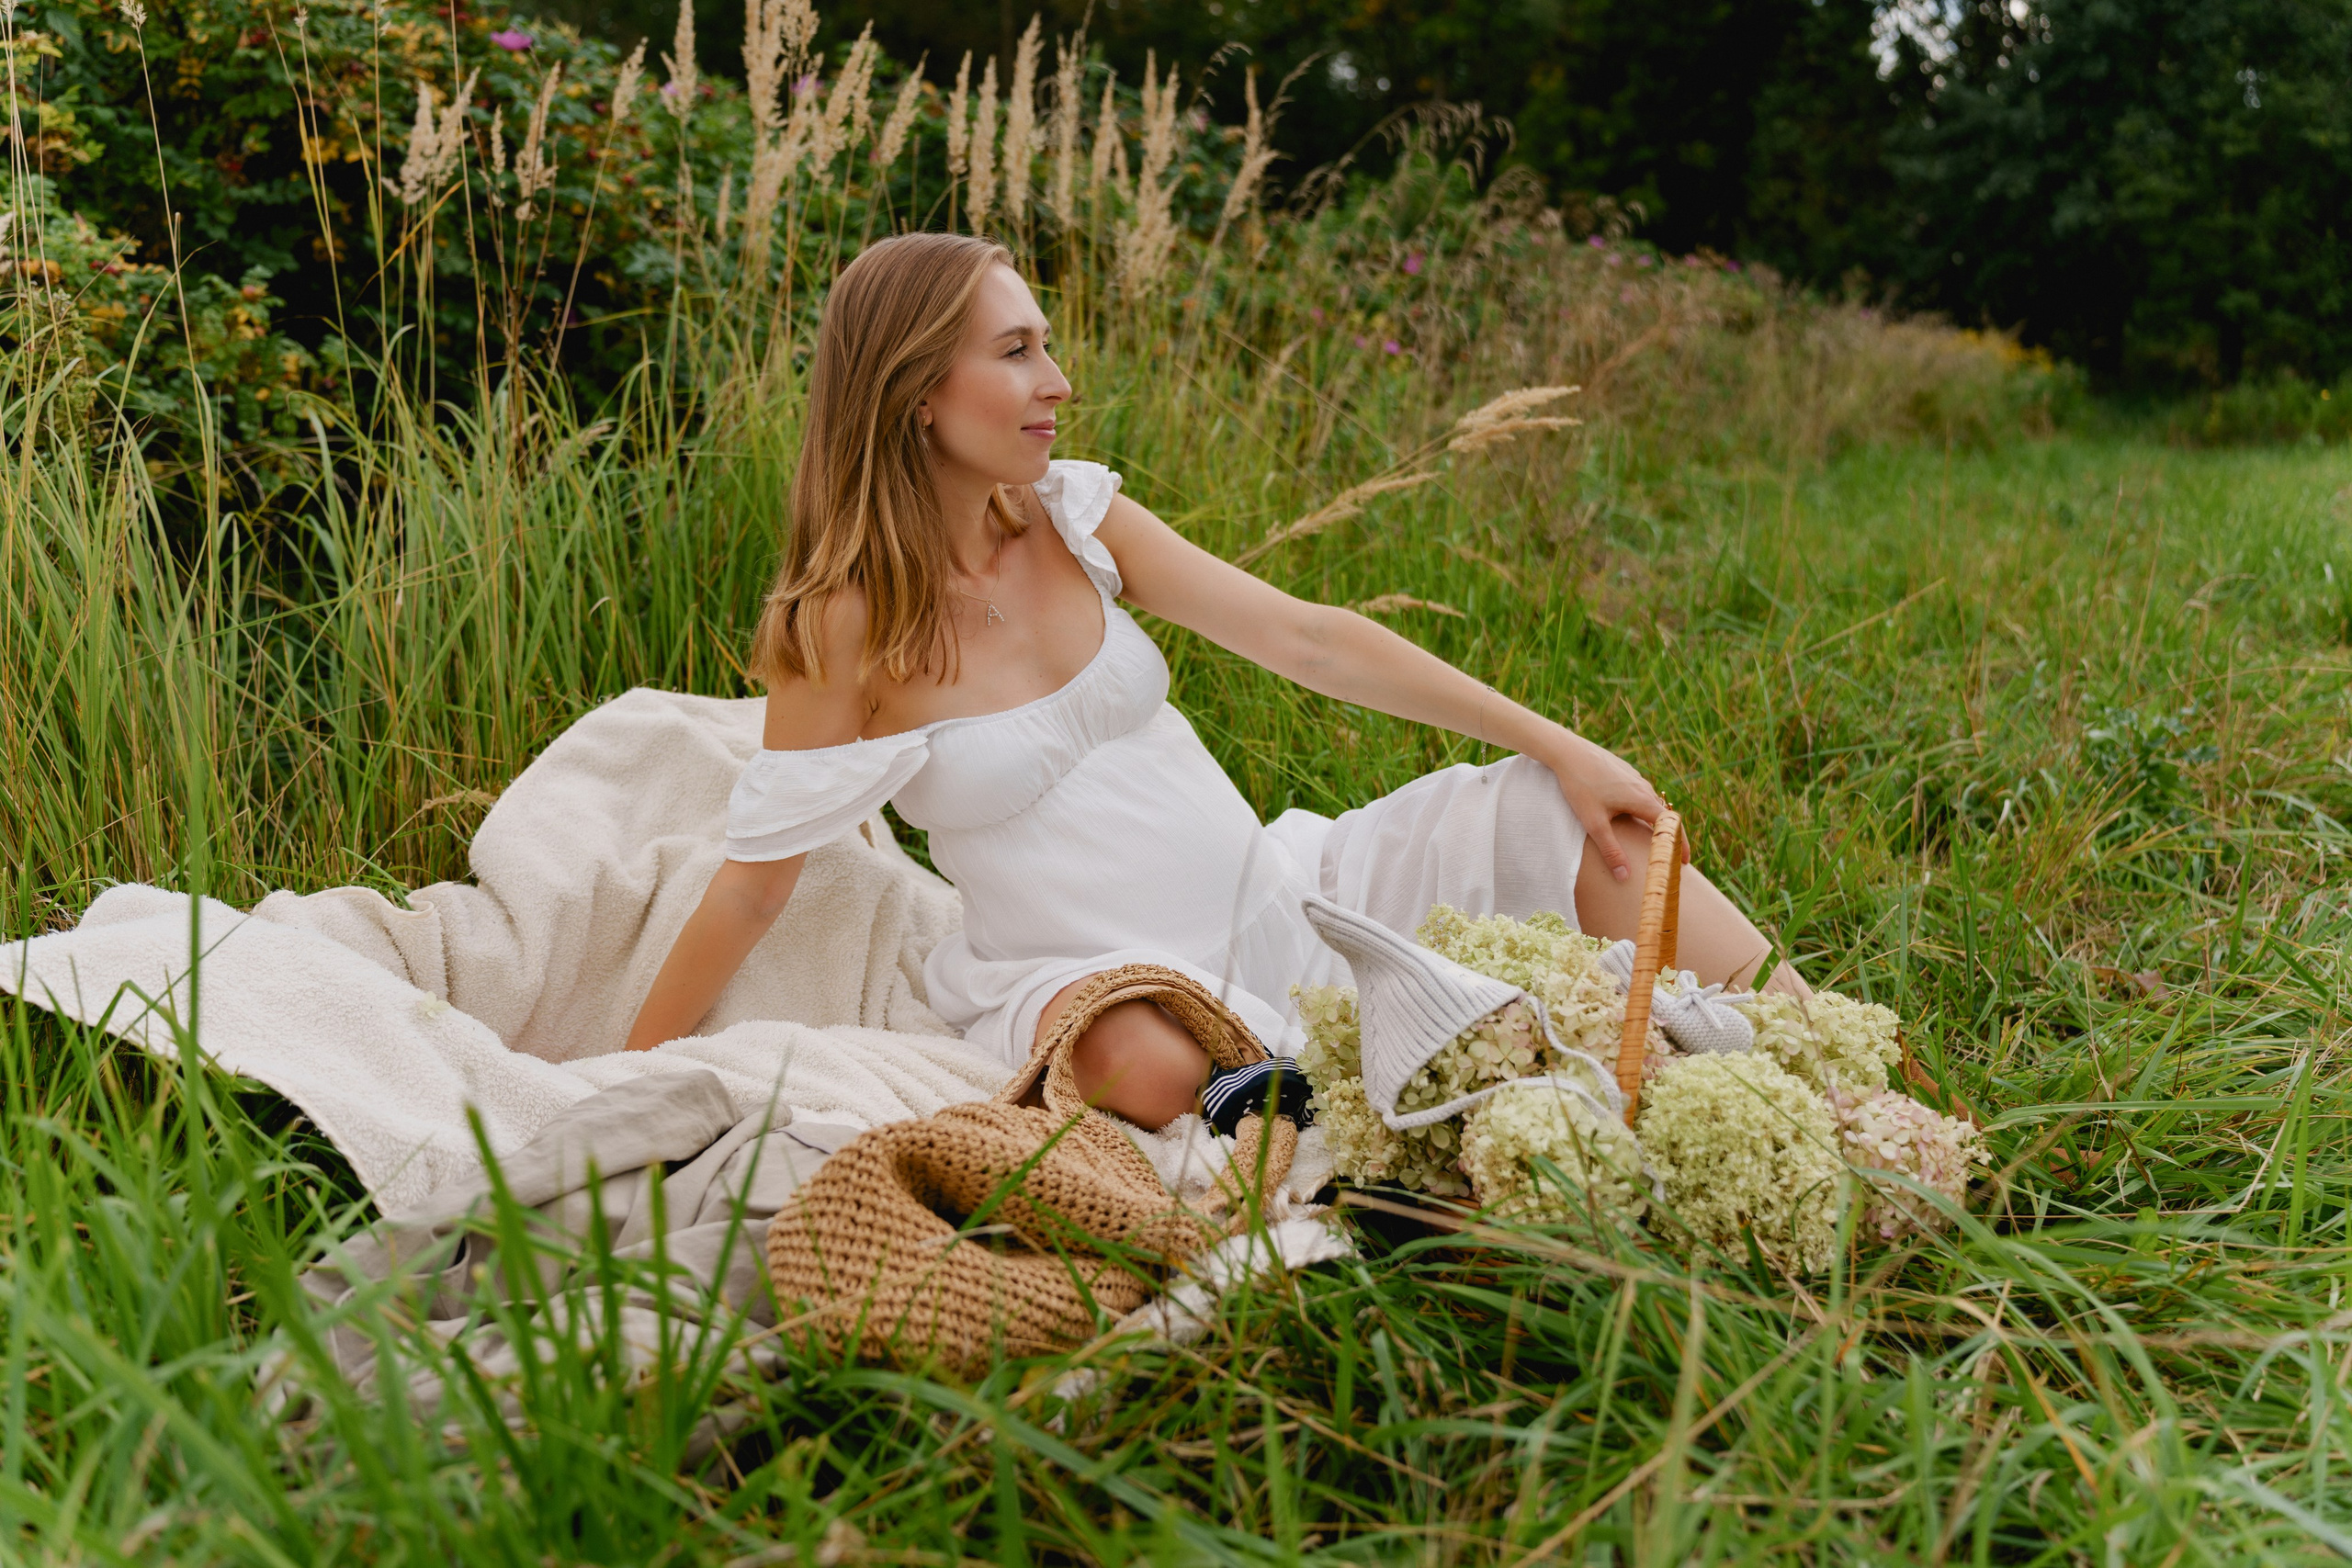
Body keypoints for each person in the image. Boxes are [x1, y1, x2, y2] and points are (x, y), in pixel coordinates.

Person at [624, 232, 1805, 1128]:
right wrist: (623, 1077)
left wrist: (1558, 744)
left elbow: (1310, 640)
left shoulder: (1074, 517)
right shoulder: (841, 627)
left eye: (1044, 344)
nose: (1057, 382)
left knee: (1588, 821)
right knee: (1136, 1060)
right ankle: (1313, 1102)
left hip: (1282, 893)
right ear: (917, 388)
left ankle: (1826, 1052)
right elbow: (753, 892)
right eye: (1017, 351)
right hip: (1091, 973)